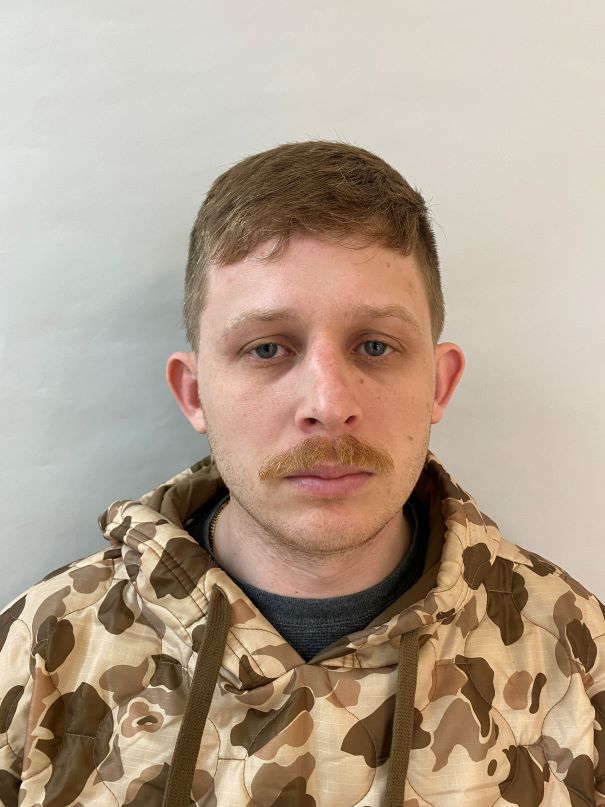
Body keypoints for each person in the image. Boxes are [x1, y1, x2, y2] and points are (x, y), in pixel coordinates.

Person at [0, 141, 603, 807]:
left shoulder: (574, 649)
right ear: (195, 394)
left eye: (374, 345)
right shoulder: (39, 653)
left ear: (439, 382)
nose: (328, 404)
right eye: (267, 348)